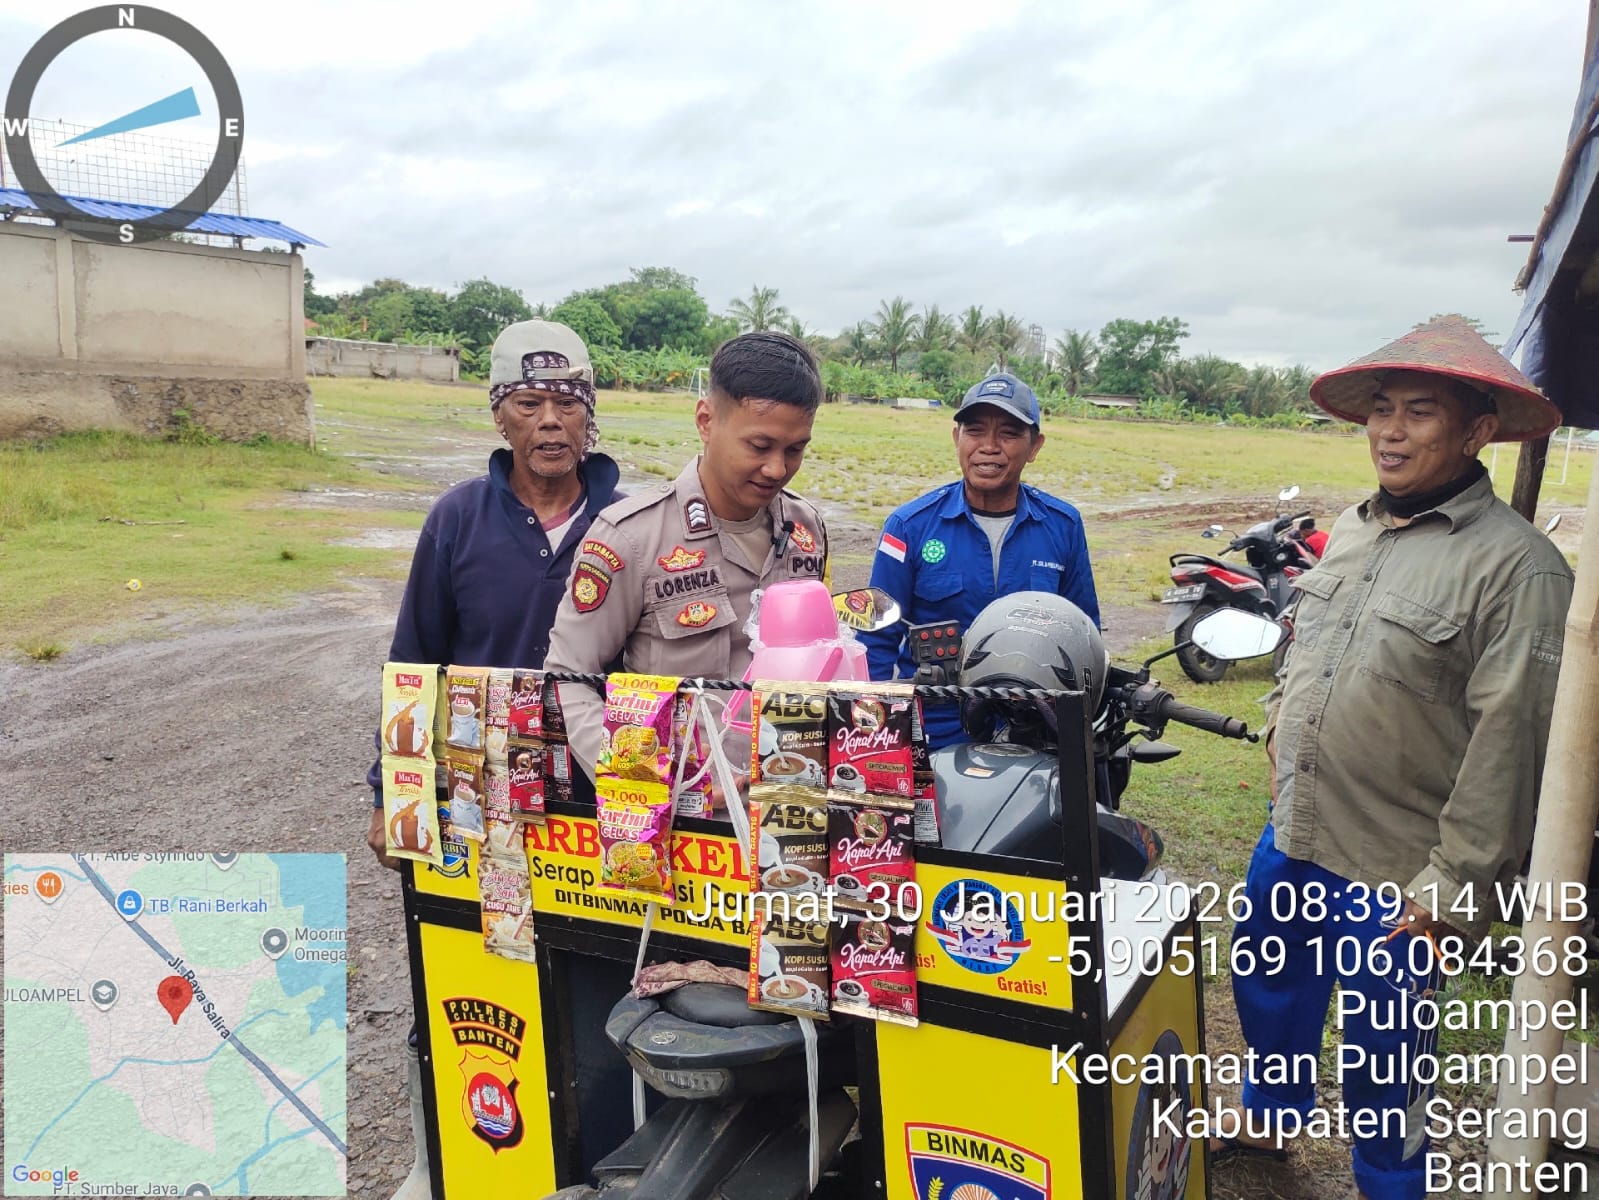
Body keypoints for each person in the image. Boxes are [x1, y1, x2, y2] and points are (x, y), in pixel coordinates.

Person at [1217, 316, 1573, 1200]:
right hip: (1297, 831)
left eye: (1419, 412)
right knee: (1269, 990)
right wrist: (1278, 726)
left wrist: (1452, 888)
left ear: (1476, 430)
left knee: (1386, 1052)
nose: (1390, 431)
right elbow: (1304, 647)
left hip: (1400, 870)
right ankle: (1270, 1117)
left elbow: (1511, 742)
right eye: (1382, 409)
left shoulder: (1518, 567)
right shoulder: (1352, 527)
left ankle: (1388, 1182)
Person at [364, 318, 623, 1200]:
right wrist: (389, 792)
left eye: (567, 403)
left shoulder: (627, 523)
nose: (550, 421)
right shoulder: (456, 519)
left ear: (590, 415)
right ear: (498, 414)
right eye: (529, 402)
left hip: (590, 807)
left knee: (593, 979)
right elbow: (415, 662)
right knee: (467, 973)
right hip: (477, 803)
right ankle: (444, 1153)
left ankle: (594, 1156)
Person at [545, 329, 830, 784]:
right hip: (677, 814)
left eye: (795, 450)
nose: (777, 468)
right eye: (759, 447)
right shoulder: (632, 538)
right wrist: (651, 778)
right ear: (706, 421)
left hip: (787, 801)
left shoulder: (806, 530)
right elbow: (567, 680)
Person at [856, 371, 1100, 749]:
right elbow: (875, 641)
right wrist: (874, 735)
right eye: (975, 431)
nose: (989, 447)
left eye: (1009, 433)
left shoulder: (1063, 525)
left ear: (1035, 446)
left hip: (1034, 731)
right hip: (935, 730)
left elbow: (1085, 635)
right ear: (957, 438)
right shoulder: (909, 527)